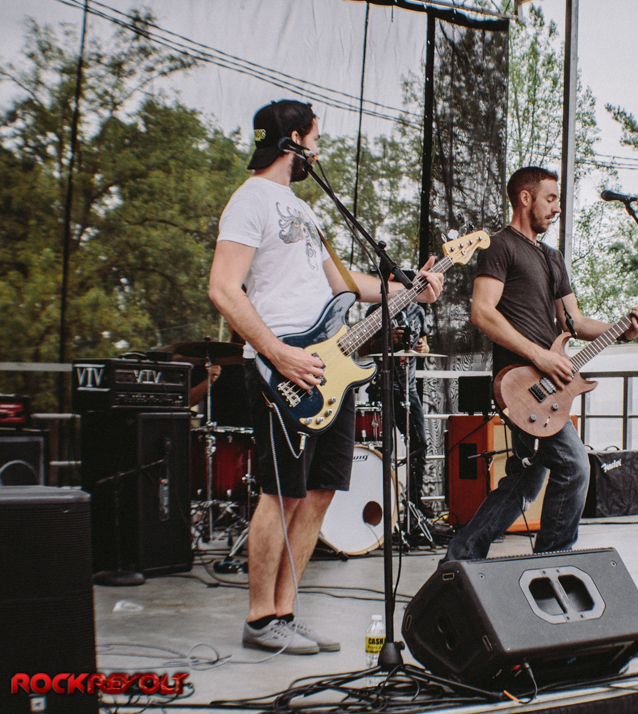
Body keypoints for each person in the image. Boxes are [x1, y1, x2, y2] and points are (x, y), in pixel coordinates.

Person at [208, 99, 442, 655]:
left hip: (329, 365)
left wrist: (410, 289)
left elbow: (344, 284)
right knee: (283, 493)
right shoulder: (249, 201)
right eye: (315, 138)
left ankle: (285, 612)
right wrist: (277, 353)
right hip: (283, 366)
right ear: (294, 139)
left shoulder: (304, 210)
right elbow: (222, 287)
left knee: (320, 492)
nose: (318, 150)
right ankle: (259, 618)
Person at [443, 166, 638, 562]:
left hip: (548, 387)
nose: (557, 208)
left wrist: (622, 329)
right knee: (575, 467)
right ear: (525, 198)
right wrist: (539, 355)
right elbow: (482, 312)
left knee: (526, 479)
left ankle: (461, 555)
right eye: (550, 199)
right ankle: (552, 563)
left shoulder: (553, 258)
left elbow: (574, 323)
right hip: (519, 383)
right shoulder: (500, 246)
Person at [364, 301, 433, 518]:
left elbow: (425, 345)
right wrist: (384, 341)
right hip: (381, 389)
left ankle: (414, 503)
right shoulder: (376, 310)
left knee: (419, 444)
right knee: (384, 450)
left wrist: (422, 348)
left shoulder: (417, 311)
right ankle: (381, 505)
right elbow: (362, 349)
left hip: (408, 390)